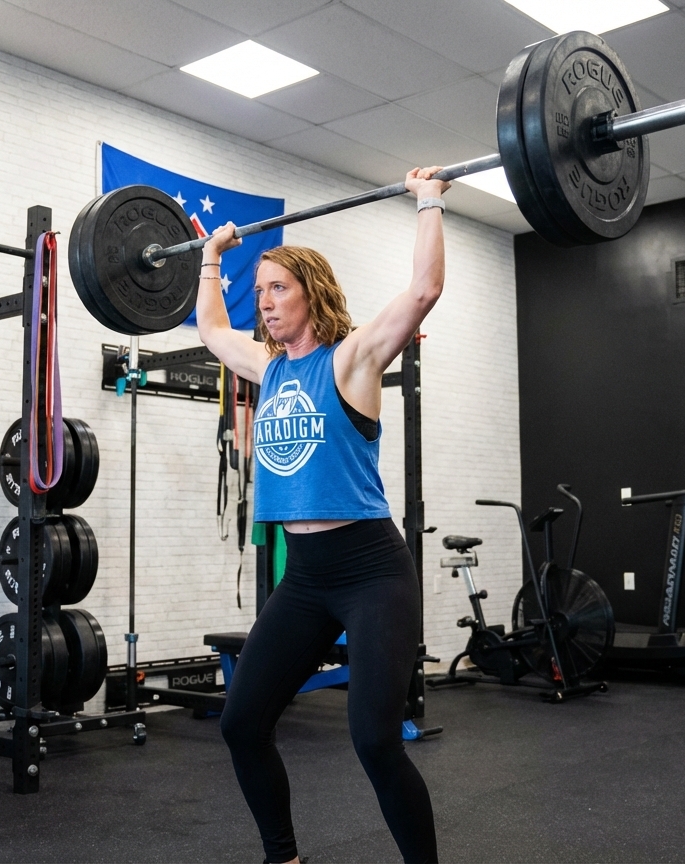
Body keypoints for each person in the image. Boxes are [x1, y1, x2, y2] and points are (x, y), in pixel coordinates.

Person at [197, 167, 451, 864]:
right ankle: (284, 858)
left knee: (373, 738)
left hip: (370, 570)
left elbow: (424, 290)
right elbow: (212, 328)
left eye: (279, 287)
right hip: (305, 578)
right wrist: (211, 260)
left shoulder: (354, 359)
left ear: (313, 292)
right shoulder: (267, 366)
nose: (267, 302)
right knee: (243, 723)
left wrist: (428, 203)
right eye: (262, 291)